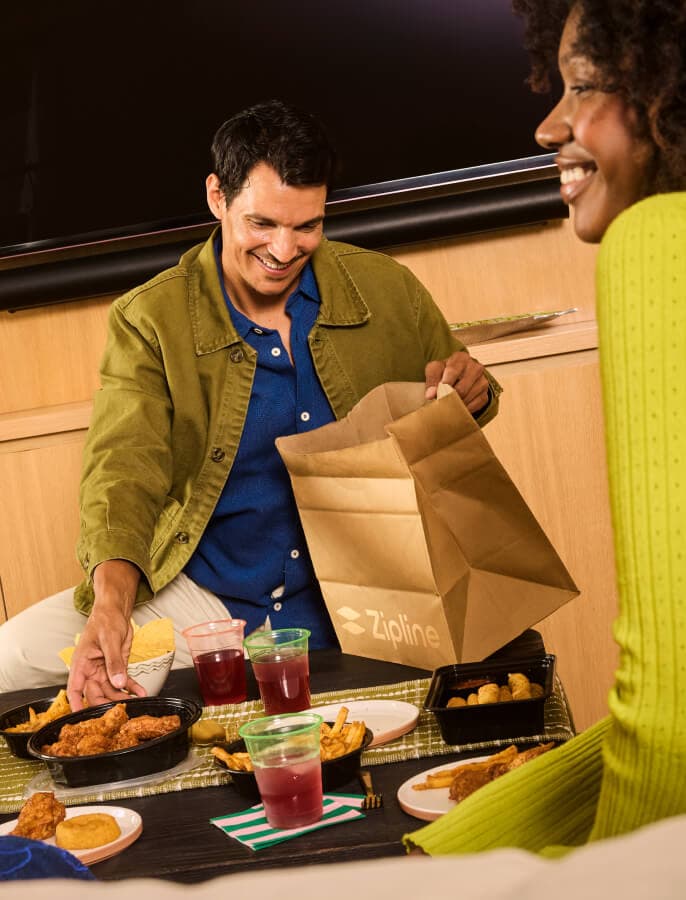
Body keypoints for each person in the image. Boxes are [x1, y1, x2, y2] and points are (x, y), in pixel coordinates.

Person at [0, 100, 500, 707]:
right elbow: (121, 472)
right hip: (210, 605)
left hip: (374, 597)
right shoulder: (150, 319)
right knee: (9, 661)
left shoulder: (387, 290)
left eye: (307, 226)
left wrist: (473, 390)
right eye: (262, 224)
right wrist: (112, 607)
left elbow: (464, 393)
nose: (285, 250)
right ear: (217, 196)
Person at [404, 0, 686, 855]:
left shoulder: (656, 244)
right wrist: (474, 839)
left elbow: (674, 701)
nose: (547, 123)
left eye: (586, 87)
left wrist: (595, 874)